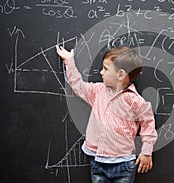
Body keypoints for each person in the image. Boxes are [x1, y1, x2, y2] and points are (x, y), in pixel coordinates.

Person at [56, 45, 158, 183]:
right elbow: (78, 86)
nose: (101, 72)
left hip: (123, 163)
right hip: (97, 161)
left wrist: (146, 152)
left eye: (105, 68)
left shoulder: (135, 101)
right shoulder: (98, 92)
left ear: (121, 74)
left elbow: (148, 125)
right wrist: (69, 61)